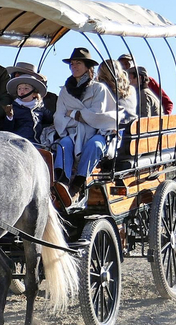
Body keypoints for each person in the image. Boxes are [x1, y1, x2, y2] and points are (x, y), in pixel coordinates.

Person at [53, 47, 136, 206]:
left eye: (78, 63)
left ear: (87, 67)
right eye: (71, 64)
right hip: (73, 133)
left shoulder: (99, 88)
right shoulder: (65, 91)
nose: (74, 67)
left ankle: (78, 183)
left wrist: (74, 114)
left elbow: (98, 117)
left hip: (98, 132)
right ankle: (62, 182)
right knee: (64, 144)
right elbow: (59, 117)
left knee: (95, 144)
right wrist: (80, 117)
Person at [0, 62, 51, 142]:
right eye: (19, 88)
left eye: (26, 88)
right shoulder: (13, 106)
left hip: (36, 142)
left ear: (34, 93)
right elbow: (7, 128)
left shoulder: (40, 107)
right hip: (18, 141)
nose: (22, 91)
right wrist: (9, 117)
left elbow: (50, 118)